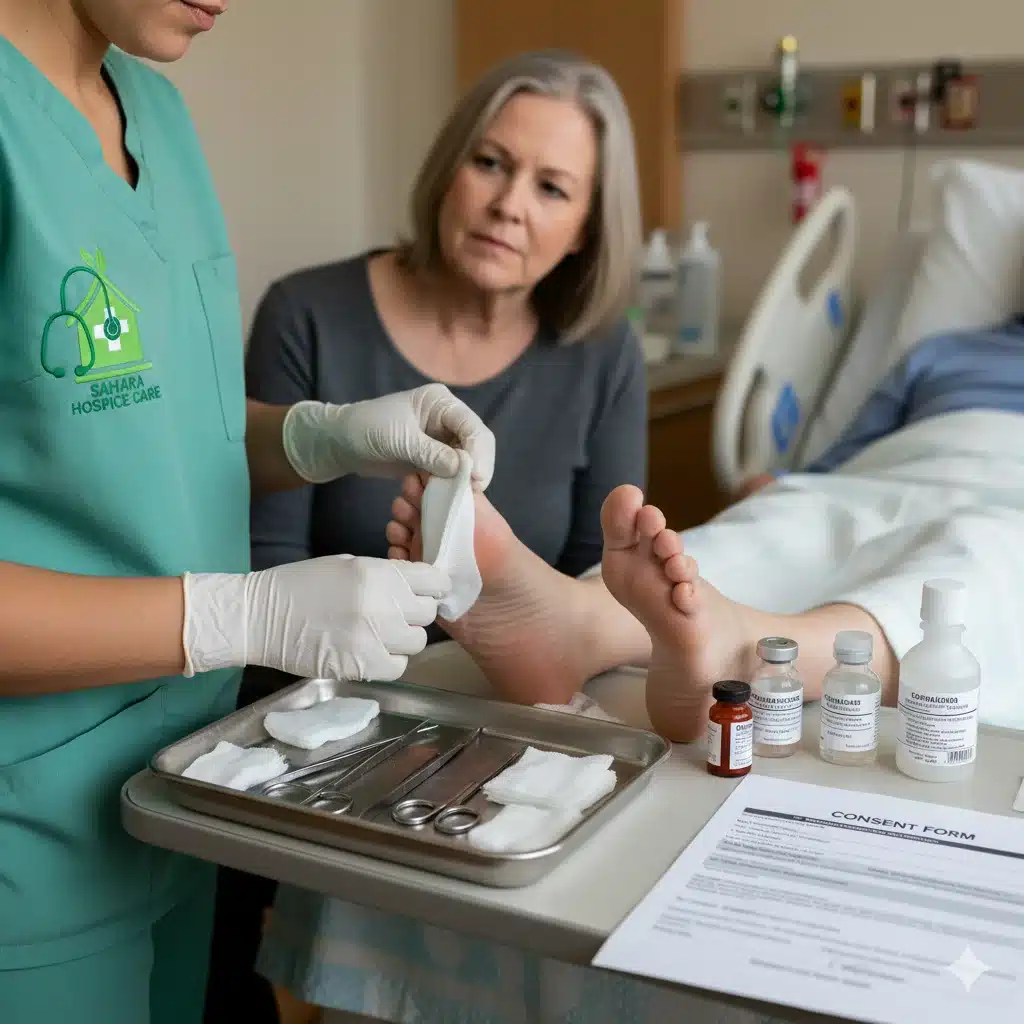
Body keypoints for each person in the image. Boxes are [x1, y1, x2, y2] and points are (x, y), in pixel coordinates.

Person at [0, 3, 495, 1022]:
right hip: (27, 844)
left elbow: (152, 433)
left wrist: (323, 435)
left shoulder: (157, 116)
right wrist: (242, 616)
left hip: (185, 793)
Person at [234, 48, 647, 1022]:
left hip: (515, 708)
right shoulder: (310, 314)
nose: (510, 204)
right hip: (327, 709)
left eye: (551, 187)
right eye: (491, 164)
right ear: (448, 168)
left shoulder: (602, 353)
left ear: (586, 226)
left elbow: (607, 583)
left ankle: (500, 606)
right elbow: (260, 585)